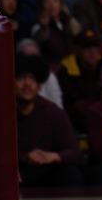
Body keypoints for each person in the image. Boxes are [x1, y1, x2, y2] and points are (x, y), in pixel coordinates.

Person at [15, 53, 83, 188]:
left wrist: (53, 156)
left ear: (40, 86)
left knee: (71, 174)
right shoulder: (0, 112)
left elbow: (74, 152)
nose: (27, 84)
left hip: (45, 170)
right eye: (21, 78)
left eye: (33, 79)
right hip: (16, 170)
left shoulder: (52, 111)